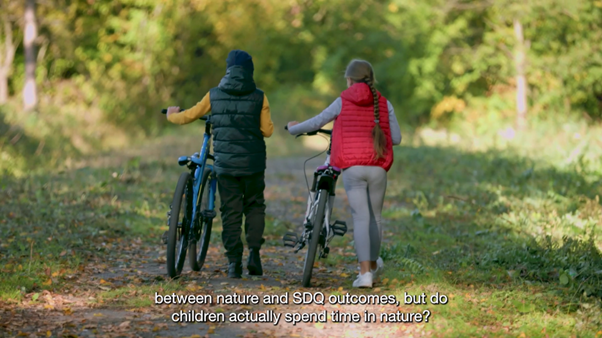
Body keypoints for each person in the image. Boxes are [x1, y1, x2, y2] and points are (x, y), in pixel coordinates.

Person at [287, 59, 401, 288]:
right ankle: (374, 265)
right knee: (375, 218)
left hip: (352, 168)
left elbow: (317, 121)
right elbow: (396, 138)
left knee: (360, 218)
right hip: (378, 168)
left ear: (349, 79)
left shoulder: (343, 100)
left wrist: (293, 128)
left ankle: (365, 274)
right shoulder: (384, 103)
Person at [165, 49, 274, 279]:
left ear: (228, 69)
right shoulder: (260, 96)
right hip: (253, 165)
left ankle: (234, 264)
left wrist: (172, 115)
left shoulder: (214, 95)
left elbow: (190, 115)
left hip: (226, 166)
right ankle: (254, 256)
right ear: (249, 71)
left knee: (230, 212)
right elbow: (267, 131)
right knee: (254, 206)